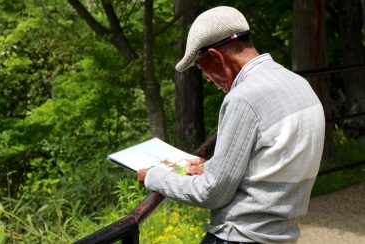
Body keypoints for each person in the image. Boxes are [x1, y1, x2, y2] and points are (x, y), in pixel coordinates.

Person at [137, 6, 325, 244]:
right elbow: (270, 160)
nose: (209, 81)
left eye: (203, 70)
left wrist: (155, 176)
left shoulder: (244, 98)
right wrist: (214, 166)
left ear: (216, 56)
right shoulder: (298, 84)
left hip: (240, 236)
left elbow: (211, 193)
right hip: (283, 235)